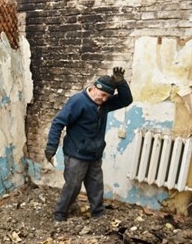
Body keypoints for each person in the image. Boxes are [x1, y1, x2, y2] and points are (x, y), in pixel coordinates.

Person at [44, 67, 132, 222]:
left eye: (108, 96)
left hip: (94, 153)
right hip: (76, 153)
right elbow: (58, 122)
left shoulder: (105, 103)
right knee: (73, 186)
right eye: (103, 95)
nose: (104, 99)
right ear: (93, 88)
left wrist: (121, 83)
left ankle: (97, 213)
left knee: (96, 184)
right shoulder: (78, 101)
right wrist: (51, 147)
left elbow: (126, 100)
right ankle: (60, 214)